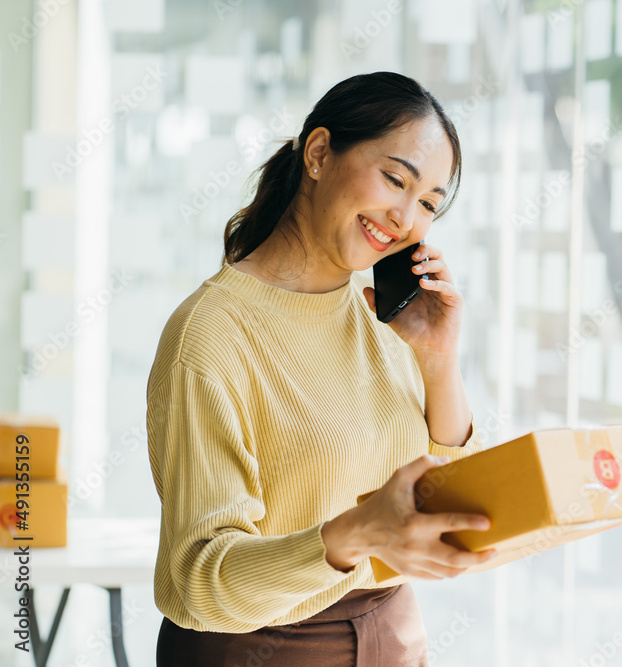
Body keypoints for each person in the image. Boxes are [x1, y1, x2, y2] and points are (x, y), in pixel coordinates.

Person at [147, 71, 496, 666]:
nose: (406, 217)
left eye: (430, 204)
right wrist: (357, 532)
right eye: (394, 178)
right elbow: (198, 580)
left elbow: (451, 510)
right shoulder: (211, 335)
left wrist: (439, 362)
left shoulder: (391, 322)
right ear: (318, 154)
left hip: (393, 639)